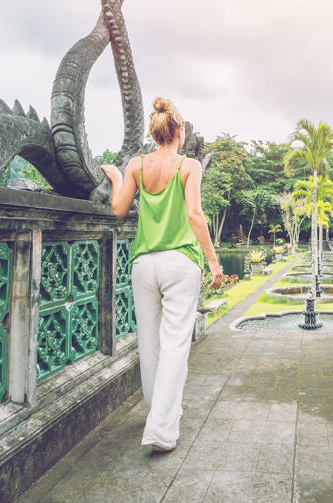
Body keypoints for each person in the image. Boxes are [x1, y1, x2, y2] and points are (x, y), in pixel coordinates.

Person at [101, 97, 223, 452]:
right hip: (180, 262)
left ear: (155, 133)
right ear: (179, 132)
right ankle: (161, 430)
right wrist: (214, 262)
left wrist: (116, 176)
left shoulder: (136, 165)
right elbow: (196, 216)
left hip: (144, 264)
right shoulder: (190, 166)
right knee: (174, 345)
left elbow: (118, 210)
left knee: (150, 343)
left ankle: (159, 414)